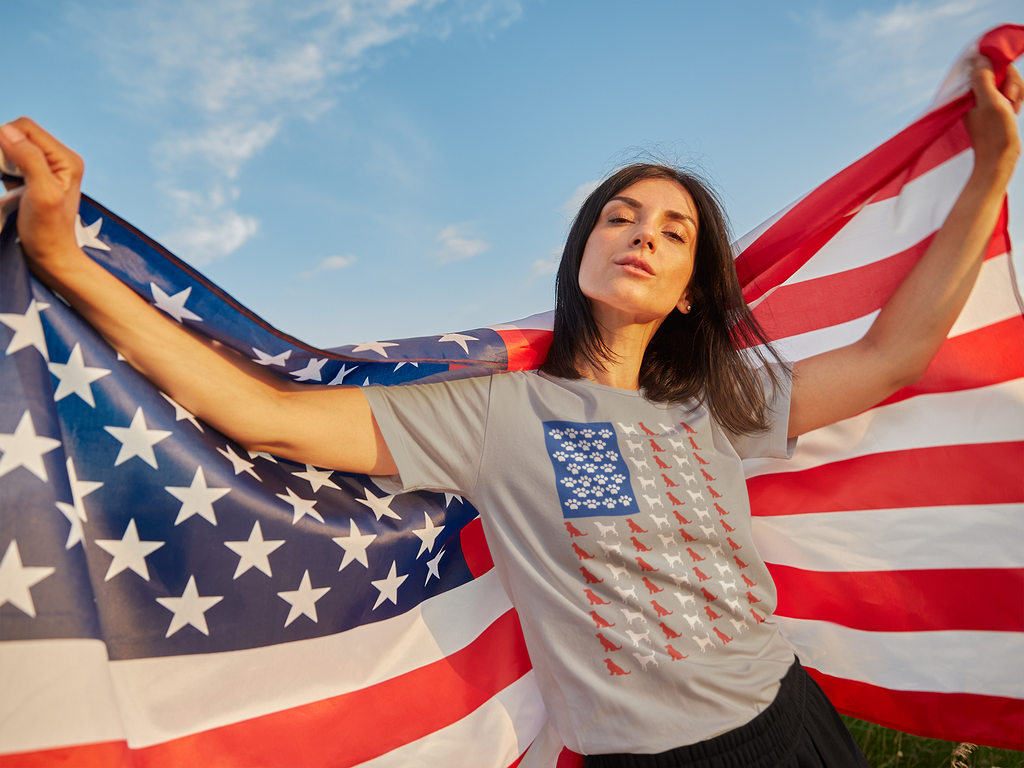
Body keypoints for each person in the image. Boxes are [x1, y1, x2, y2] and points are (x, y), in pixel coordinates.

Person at [1, 57, 1020, 767]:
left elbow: (893, 359)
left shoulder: (717, 406)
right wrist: (63, 261)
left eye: (673, 231)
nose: (642, 235)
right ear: (579, 253)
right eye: (618, 216)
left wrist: (990, 170)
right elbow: (265, 416)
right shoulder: (496, 413)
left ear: (691, 290)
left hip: (791, 717)